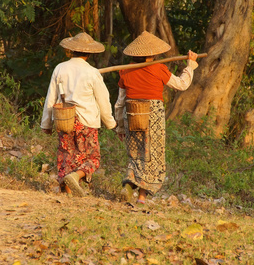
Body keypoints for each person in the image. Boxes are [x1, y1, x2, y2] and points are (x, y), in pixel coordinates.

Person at [115, 31, 198, 205]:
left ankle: (129, 184)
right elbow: (181, 84)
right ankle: (142, 197)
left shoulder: (125, 71)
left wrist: (120, 126)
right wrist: (190, 66)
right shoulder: (158, 68)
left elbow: (119, 103)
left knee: (135, 153)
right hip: (152, 115)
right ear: (152, 54)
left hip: (131, 114)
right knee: (151, 155)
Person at [41, 32, 117, 197]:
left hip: (64, 120)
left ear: (71, 51)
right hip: (87, 122)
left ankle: (69, 193)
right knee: (92, 158)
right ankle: (76, 176)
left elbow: (50, 97)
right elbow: (104, 101)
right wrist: (111, 123)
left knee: (67, 156)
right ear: (89, 53)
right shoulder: (93, 73)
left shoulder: (60, 68)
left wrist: (46, 124)